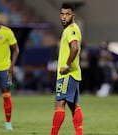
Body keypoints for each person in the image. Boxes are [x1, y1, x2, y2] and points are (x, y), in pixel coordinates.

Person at [50, 3, 83, 135]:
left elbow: (75, 47)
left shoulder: (71, 30)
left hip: (67, 74)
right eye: (62, 14)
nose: (64, 17)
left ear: (73, 15)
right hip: (74, 74)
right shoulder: (72, 29)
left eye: (67, 14)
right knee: (74, 106)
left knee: (59, 103)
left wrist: (67, 66)